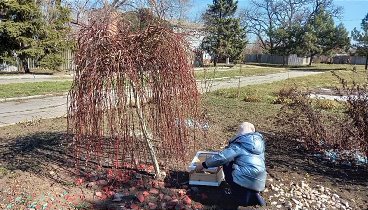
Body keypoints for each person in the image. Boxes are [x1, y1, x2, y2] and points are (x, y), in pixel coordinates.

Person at [194, 122, 267, 207]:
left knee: (227, 162)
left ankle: (237, 193)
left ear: (240, 133)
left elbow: (223, 157)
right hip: (259, 180)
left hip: (244, 178)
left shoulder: (240, 143)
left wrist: (204, 165)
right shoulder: (259, 145)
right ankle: (253, 194)